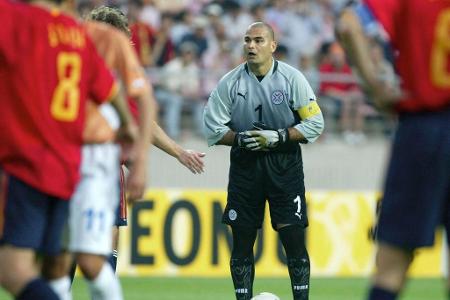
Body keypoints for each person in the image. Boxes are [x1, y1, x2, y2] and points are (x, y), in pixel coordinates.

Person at [0, 0, 134, 299]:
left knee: (16, 269)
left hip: (31, 161)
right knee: (55, 266)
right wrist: (128, 127)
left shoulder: (17, 17)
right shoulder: (74, 34)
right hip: (67, 166)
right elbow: (109, 92)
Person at [203, 22, 324, 300]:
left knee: (293, 239)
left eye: (258, 40)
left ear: (272, 46)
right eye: (247, 40)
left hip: (285, 165)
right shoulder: (230, 82)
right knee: (243, 242)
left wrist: (279, 137)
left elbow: (316, 124)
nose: (251, 46)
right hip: (246, 167)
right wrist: (241, 139)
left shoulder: (292, 79)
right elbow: (212, 127)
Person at [337, 1, 450, 300]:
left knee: (391, 268)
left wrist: (375, 85)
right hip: (428, 126)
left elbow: (348, 24)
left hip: (425, 130)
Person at [86, 5, 206, 276]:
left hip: (103, 166)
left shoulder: (120, 75)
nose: (126, 46)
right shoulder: (86, 69)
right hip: (79, 163)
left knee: (105, 239)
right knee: (73, 243)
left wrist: (178, 152)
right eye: (121, 40)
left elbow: (143, 120)